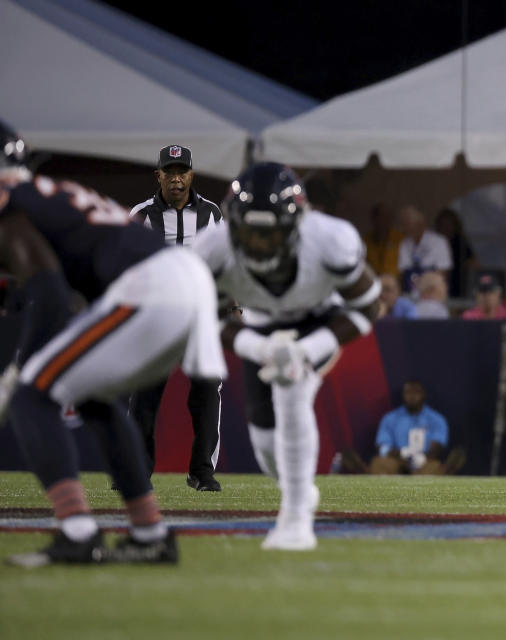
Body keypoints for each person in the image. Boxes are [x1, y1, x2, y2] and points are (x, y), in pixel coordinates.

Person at [0, 120, 225, 566]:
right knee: (93, 398)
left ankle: (78, 532)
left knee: (31, 397)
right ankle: (149, 533)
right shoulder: (46, 193)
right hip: (180, 283)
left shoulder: (12, 204)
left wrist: (21, 367)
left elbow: (49, 294)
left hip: (150, 287)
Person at [193, 162, 380, 551]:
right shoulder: (212, 248)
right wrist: (259, 348)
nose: (260, 244)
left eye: (270, 233)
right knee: (264, 443)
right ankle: (298, 491)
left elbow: (367, 308)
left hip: (321, 319)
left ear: (297, 222)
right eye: (251, 233)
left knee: (290, 385)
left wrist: (305, 351)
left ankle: (296, 521)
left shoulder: (330, 240)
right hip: (259, 327)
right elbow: (199, 317)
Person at [128, 145, 225, 491]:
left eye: (182, 171)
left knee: (207, 393)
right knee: (145, 395)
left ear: (191, 175)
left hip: (198, 318)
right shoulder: (140, 214)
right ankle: (137, 471)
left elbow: (226, 261)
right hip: (156, 319)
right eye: (169, 172)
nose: (176, 178)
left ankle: (202, 471)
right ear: (158, 176)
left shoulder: (213, 215)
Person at [342, 381, 463, 475]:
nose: (412, 396)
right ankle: (363, 472)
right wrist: (402, 454)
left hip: (424, 462)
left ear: (423, 394)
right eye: (408, 392)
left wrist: (422, 458)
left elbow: (437, 446)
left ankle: (447, 471)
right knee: (378, 464)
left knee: (433, 469)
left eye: (416, 392)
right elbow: (382, 447)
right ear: (403, 395)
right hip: (396, 461)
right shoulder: (390, 418)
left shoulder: (437, 419)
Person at [397, 205, 451, 293]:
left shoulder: (439, 241)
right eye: (403, 224)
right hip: (411, 290)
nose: (403, 229)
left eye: (407, 224)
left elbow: (443, 272)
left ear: (420, 224)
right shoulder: (405, 243)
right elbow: (403, 272)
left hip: (434, 291)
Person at [433, 207, 476, 298]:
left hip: (458, 283)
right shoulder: (433, 242)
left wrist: (468, 275)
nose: (445, 228)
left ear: (455, 226)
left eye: (448, 225)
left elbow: (474, 263)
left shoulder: (460, 242)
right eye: (442, 225)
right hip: (437, 284)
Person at [363, 202, 403, 278]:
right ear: (374, 219)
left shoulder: (400, 239)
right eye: (381, 216)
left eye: (388, 217)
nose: (385, 220)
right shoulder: (366, 241)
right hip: (373, 282)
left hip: (394, 283)